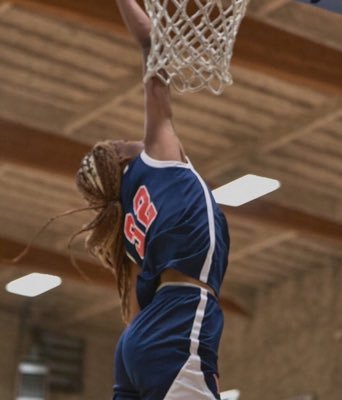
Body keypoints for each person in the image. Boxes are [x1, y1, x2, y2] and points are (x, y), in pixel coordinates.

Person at [75, 1, 230, 399]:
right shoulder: (155, 161)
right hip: (175, 320)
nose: (129, 137)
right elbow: (152, 49)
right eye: (118, 142)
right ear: (123, 160)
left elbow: (133, 312)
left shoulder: (128, 218)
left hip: (140, 342)